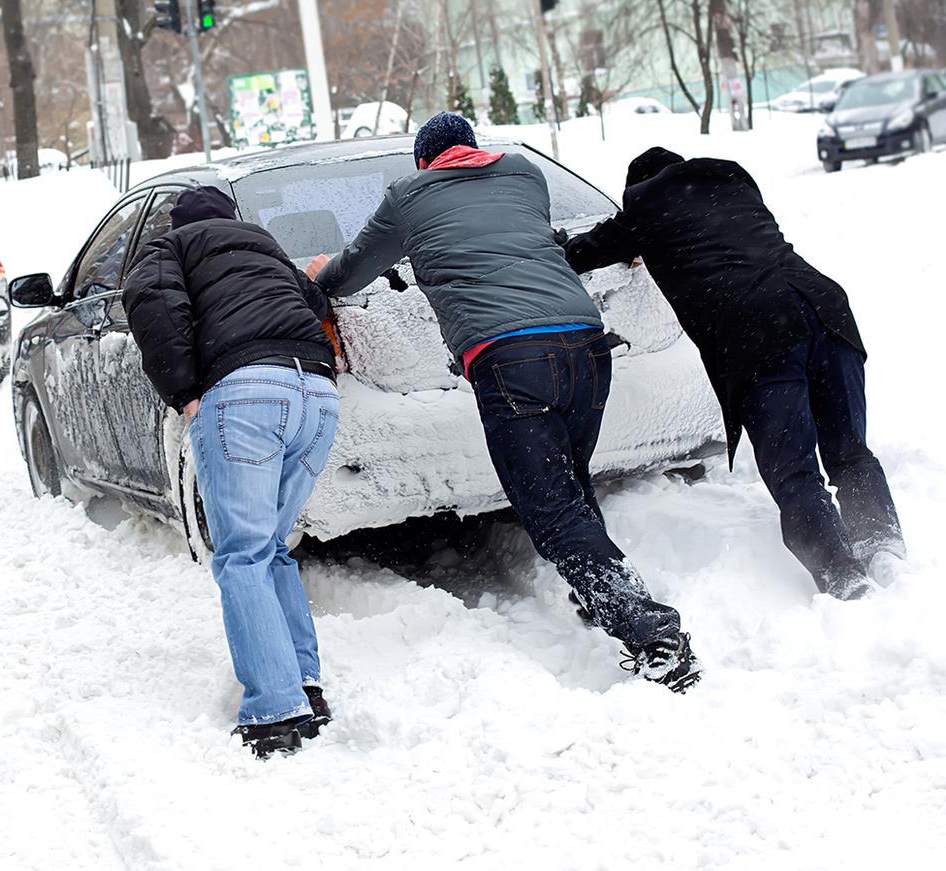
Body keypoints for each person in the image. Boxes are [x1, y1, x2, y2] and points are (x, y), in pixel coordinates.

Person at [308, 112, 700, 692]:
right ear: (474, 149)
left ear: (424, 161)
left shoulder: (408, 196)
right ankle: (603, 594)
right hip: (587, 348)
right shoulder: (524, 174)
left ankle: (650, 633)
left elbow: (351, 273)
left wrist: (321, 274)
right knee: (568, 484)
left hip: (511, 360)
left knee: (550, 511)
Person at [563, 147, 903, 599]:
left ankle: (842, 574)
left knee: (794, 469)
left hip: (759, 330)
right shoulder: (732, 179)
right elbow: (720, 232)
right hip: (824, 307)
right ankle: (880, 543)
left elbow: (579, 253)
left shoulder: (644, 209)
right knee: (849, 448)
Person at [122, 186, 340, 758]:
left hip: (246, 394)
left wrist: (184, 391)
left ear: (178, 222)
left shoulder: (169, 248)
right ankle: (304, 685)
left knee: (242, 553)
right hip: (317, 395)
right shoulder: (267, 247)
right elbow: (316, 305)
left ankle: (274, 709)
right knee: (271, 547)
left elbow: (151, 304)